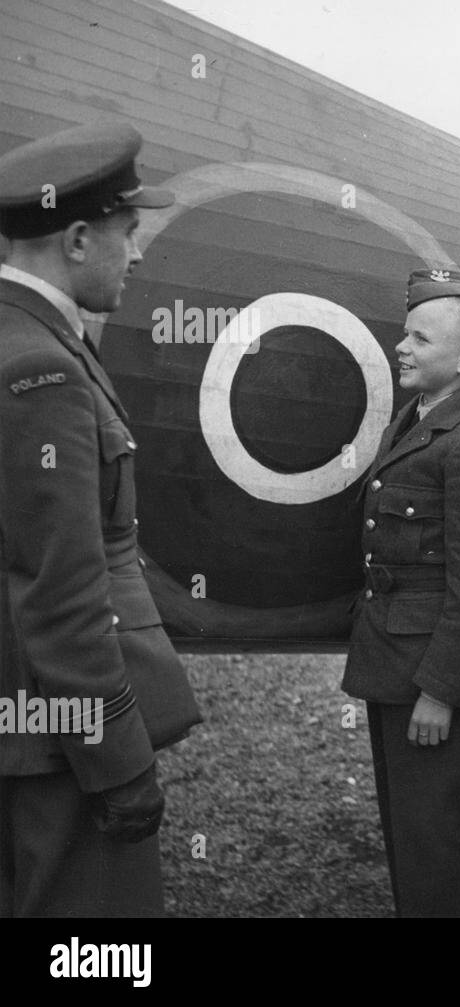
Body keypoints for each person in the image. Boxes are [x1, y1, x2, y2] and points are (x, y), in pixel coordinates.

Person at [0, 122, 201, 916]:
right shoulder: (40, 365)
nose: (140, 254)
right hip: (56, 746)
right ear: (80, 238)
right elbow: (62, 592)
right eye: (130, 231)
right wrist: (118, 760)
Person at [341, 267, 460, 917]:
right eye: (405, 333)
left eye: (420, 337)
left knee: (442, 851)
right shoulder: (423, 420)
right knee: (414, 843)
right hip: (399, 666)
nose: (401, 346)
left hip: (437, 683)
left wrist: (443, 692)